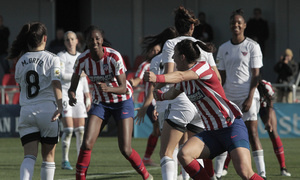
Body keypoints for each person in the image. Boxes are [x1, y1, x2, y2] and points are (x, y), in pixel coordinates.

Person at [144, 39, 264, 180]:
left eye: (174, 54)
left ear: (182, 57)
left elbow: (180, 76)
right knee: (184, 155)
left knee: (245, 172)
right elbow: (170, 93)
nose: (172, 58)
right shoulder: (184, 82)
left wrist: (157, 77)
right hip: (212, 133)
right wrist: (160, 96)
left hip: (231, 127)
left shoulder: (203, 67)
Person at [68, 25, 152, 180]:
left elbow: (123, 88)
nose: (94, 42)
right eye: (91, 39)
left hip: (122, 101)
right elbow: (72, 88)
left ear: (102, 40)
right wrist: (72, 95)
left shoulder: (114, 57)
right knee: (86, 144)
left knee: (125, 149)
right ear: (85, 41)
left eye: (97, 39)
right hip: (101, 103)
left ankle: (146, 176)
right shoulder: (82, 60)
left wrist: (108, 88)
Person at [154, 6, 219, 180]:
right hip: (201, 105)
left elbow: (169, 75)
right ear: (192, 27)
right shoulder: (202, 46)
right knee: (195, 153)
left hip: (181, 100)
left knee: (167, 152)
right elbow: (217, 76)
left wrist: (157, 88)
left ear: (176, 28)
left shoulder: (171, 43)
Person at [7, 22, 62, 180]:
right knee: (48, 158)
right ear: (45, 38)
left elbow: (21, 87)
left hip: (27, 111)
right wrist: (60, 106)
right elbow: (56, 83)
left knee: (29, 157)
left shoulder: (20, 61)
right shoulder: (53, 58)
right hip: (47, 112)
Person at [215, 9, 266, 179]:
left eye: (239, 22)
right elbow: (220, 77)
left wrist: (250, 97)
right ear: (230, 26)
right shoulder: (223, 48)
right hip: (229, 97)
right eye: (233, 23)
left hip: (247, 95)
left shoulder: (252, 46)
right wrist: (220, 98)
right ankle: (217, 173)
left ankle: (262, 174)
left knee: (252, 133)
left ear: (244, 25)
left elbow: (256, 74)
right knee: (224, 134)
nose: (235, 25)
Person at [221, 78, 292, 177]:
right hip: (248, 106)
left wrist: (268, 120)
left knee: (273, 132)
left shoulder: (265, 85)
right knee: (237, 134)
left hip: (264, 108)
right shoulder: (242, 87)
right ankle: (224, 167)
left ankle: (283, 167)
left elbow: (270, 101)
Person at [130, 27, 178, 167]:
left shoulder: (175, 59)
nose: (156, 52)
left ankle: (149, 158)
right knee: (165, 133)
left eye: (158, 50)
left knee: (160, 132)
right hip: (155, 103)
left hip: (168, 101)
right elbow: (142, 82)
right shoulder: (148, 65)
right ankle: (151, 158)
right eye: (154, 50)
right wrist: (130, 83)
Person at [57, 31, 91, 170]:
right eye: (67, 40)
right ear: (64, 42)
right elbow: (61, 75)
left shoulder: (81, 57)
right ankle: (65, 160)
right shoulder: (61, 56)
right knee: (69, 129)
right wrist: (77, 74)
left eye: (72, 39)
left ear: (77, 41)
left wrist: (87, 95)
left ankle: (79, 160)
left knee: (81, 130)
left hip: (79, 98)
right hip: (65, 95)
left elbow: (83, 80)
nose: (70, 42)